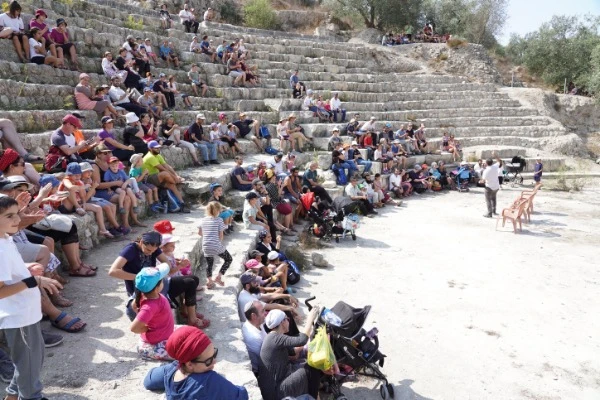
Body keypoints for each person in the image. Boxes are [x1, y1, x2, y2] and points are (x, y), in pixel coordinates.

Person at [0, 196, 63, 400]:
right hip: (17, 317)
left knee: (28, 361)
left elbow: (11, 272)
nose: (16, 219)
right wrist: (32, 281)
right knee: (29, 364)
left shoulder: (5, 238)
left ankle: (12, 395)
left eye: (17, 213)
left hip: (26, 312)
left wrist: (26, 269)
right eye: (9, 216)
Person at [108, 231, 207, 328]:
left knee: (192, 280)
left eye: (153, 251)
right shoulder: (130, 250)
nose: (150, 253)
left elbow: (166, 263)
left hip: (157, 284)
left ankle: (186, 312)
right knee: (188, 283)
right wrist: (141, 277)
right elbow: (112, 271)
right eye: (148, 250)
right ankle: (192, 319)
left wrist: (166, 267)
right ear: (141, 242)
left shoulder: (154, 248)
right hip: (142, 289)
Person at [143, 325, 249, 399]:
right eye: (208, 361)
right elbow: (241, 396)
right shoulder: (208, 381)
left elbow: (149, 381)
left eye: (214, 354)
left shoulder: (172, 370)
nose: (214, 362)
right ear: (189, 364)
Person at [257, 308, 321, 400]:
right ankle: (313, 397)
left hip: (278, 384)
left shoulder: (273, 337)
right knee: (311, 368)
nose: (288, 322)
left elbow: (293, 351)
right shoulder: (274, 338)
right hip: (277, 392)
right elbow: (302, 340)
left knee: (309, 365)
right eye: (287, 319)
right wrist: (310, 319)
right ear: (282, 322)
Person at [142, 141, 190, 213]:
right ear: (150, 149)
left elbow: (167, 166)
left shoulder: (158, 155)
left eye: (158, 148)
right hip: (149, 178)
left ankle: (182, 204)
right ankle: (177, 181)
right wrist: (175, 178)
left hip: (157, 178)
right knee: (164, 173)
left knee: (172, 185)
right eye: (156, 148)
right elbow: (162, 169)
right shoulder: (150, 157)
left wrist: (176, 175)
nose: (158, 149)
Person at [198, 201, 232, 289]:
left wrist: (208, 236)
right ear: (219, 210)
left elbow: (200, 233)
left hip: (205, 245)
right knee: (228, 259)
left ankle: (209, 281)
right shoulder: (219, 220)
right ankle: (218, 277)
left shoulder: (203, 220)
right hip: (215, 245)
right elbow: (221, 235)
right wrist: (218, 243)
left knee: (209, 264)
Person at [242, 300, 267, 375]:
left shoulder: (257, 323)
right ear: (254, 316)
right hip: (263, 370)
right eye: (262, 311)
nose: (265, 313)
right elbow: (266, 359)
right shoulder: (253, 337)